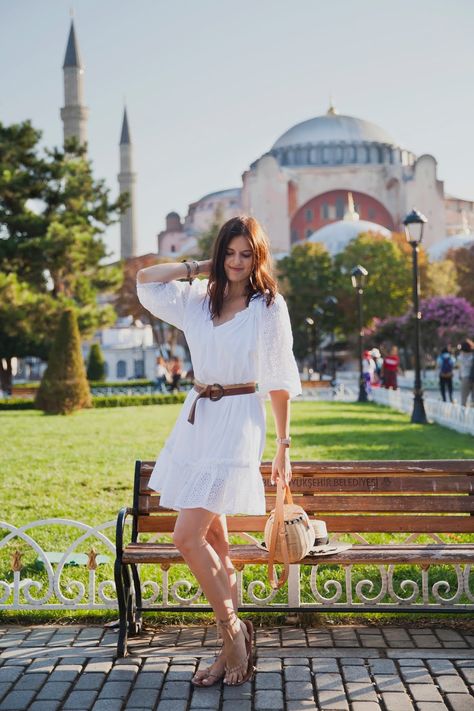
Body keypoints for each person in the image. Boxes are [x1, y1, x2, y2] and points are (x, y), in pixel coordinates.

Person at [136, 216, 301, 687]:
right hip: (198, 419)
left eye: (246, 254)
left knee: (185, 537)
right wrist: (198, 266)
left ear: (258, 257)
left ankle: (233, 637)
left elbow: (280, 379)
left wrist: (283, 446)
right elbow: (145, 280)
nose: (236, 262)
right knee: (215, 544)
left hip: (237, 420)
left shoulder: (267, 306)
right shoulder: (197, 301)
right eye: (229, 252)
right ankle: (229, 649)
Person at [457, 340, 474, 407]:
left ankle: (462, 415)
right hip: (473, 377)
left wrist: (460, 376)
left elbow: (460, 368)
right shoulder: (472, 356)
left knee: (463, 400)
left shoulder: (460, 357)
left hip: (465, 378)